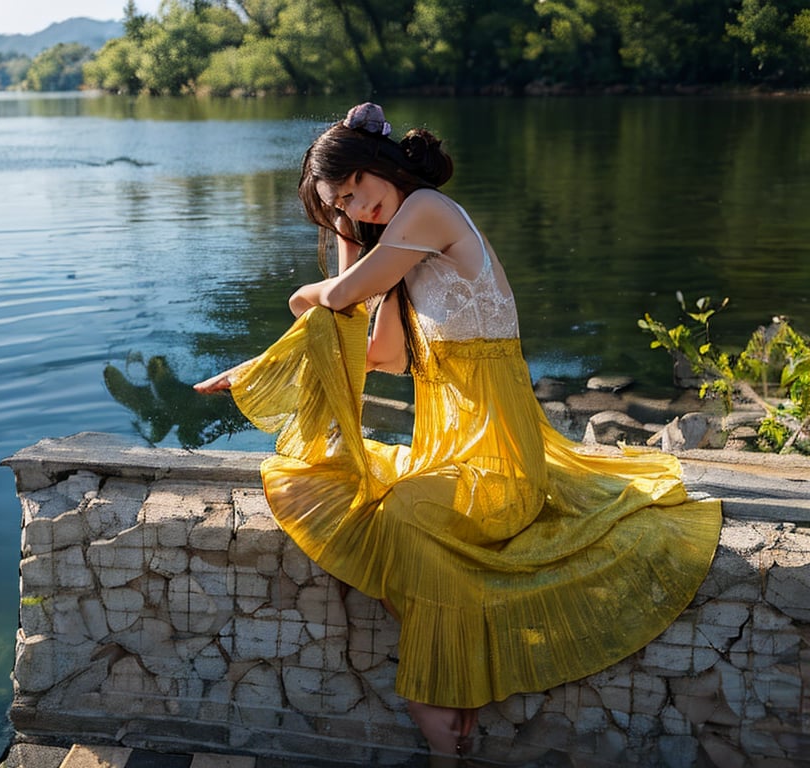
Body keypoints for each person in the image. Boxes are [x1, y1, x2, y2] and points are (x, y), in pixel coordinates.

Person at [194, 103, 722, 759]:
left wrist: (303, 304)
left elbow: (335, 299)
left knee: (402, 517)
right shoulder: (403, 254)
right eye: (342, 208)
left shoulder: (428, 214)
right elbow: (377, 353)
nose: (358, 209)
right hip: (453, 456)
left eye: (355, 192)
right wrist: (337, 258)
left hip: (500, 465)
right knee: (351, 498)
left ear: (377, 164)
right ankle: (455, 667)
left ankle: (435, 686)